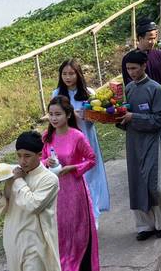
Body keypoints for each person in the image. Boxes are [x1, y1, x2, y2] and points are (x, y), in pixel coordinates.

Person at [117, 50, 161, 240]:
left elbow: (160, 118)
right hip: (133, 142)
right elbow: (125, 117)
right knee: (137, 183)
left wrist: (134, 117)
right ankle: (144, 226)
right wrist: (117, 119)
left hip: (152, 141)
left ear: (144, 66)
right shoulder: (129, 89)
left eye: (134, 68)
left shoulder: (155, 88)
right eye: (128, 69)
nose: (131, 72)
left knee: (156, 185)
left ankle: (160, 222)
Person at [0, 131, 60, 271]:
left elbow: (32, 205)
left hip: (36, 242)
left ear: (39, 155)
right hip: (12, 238)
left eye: (27, 156)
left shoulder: (49, 179)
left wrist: (19, 180)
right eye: (19, 155)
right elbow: (5, 208)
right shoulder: (13, 175)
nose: (22, 161)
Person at [42, 96, 99, 271]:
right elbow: (41, 159)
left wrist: (73, 167)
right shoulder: (47, 136)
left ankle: (78, 265)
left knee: (76, 230)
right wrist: (46, 163)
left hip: (74, 190)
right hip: (54, 190)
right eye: (51, 114)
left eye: (58, 114)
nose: (53, 118)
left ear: (67, 115)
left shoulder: (77, 136)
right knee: (58, 229)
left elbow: (91, 159)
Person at [52, 60, 110, 229]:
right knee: (71, 179)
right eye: (64, 74)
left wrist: (86, 116)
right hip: (66, 143)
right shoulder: (56, 94)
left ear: (78, 74)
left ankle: (93, 215)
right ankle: (75, 217)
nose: (68, 77)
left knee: (90, 177)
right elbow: (54, 117)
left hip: (86, 139)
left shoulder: (89, 93)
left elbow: (96, 119)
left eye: (71, 73)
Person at [122, 19, 161, 174]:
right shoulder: (129, 59)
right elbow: (129, 84)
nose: (153, 41)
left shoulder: (159, 55)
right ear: (139, 38)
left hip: (159, 101)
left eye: (155, 37)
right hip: (141, 105)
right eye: (149, 38)